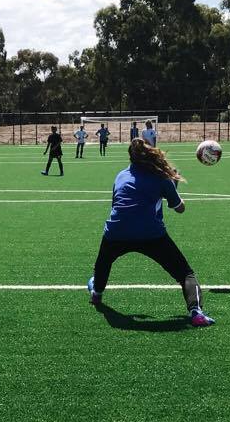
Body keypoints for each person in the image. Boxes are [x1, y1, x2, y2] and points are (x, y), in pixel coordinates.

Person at [87, 138, 214, 327]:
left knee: (102, 267)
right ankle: (196, 312)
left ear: (131, 158)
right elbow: (179, 208)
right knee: (185, 274)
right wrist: (173, 185)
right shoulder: (162, 176)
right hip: (151, 234)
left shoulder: (120, 175)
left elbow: (116, 205)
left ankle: (96, 293)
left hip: (117, 231)